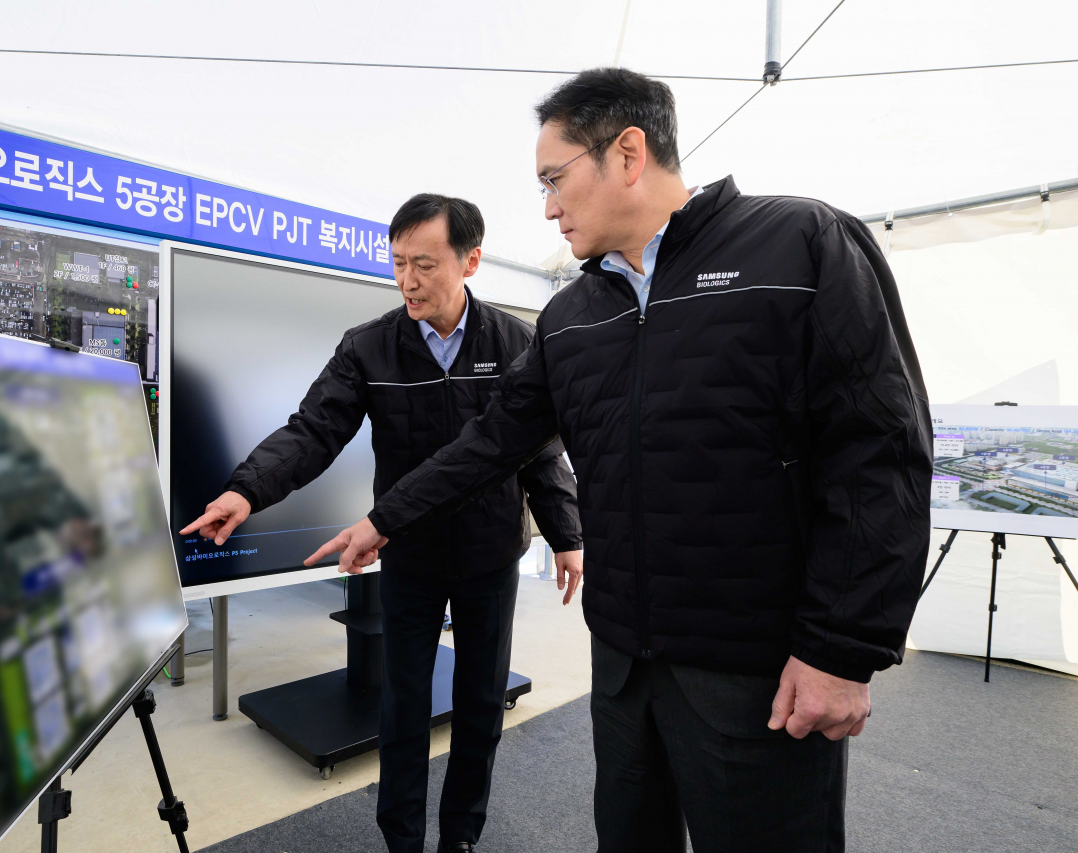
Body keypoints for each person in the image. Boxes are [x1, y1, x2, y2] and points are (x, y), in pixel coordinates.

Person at [307, 69, 934, 852]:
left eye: (554, 179)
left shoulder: (799, 245)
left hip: (758, 673)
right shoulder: (571, 315)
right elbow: (494, 441)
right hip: (625, 667)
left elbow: (883, 452)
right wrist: (383, 517)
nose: (546, 206)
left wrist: (843, 649)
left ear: (628, 153)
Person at [180, 193, 584, 853]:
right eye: (397, 263)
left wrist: (564, 533)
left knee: (481, 706)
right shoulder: (370, 347)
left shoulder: (516, 342)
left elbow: (538, 447)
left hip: (488, 555)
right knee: (402, 706)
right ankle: (401, 838)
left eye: (424, 264)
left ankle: (460, 836)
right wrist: (246, 490)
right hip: (409, 556)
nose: (407, 280)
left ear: (470, 260)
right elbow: (313, 430)